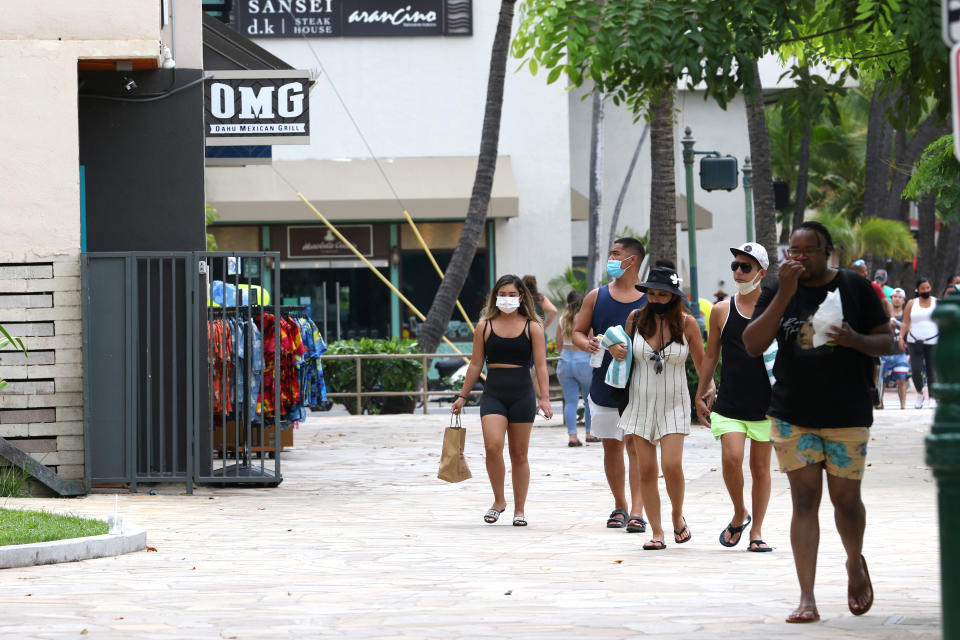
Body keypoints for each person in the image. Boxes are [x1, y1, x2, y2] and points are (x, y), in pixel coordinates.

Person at [743, 220, 891, 624]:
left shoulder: (855, 288)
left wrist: (855, 340)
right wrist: (784, 295)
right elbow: (753, 344)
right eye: (793, 250)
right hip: (794, 414)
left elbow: (887, 341)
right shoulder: (777, 290)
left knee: (846, 501)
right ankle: (806, 597)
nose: (799, 257)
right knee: (804, 501)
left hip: (847, 413)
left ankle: (854, 561)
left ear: (827, 252)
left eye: (808, 250)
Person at [616, 265, 710, 550]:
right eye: (651, 294)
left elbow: (702, 364)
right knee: (646, 469)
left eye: (662, 294)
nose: (656, 299)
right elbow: (620, 352)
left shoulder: (687, 324)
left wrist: (706, 392)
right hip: (640, 402)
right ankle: (657, 532)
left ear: (674, 296)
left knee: (671, 465)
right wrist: (615, 350)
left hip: (674, 403)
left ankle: (676, 514)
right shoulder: (634, 319)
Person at [451, 275, 553, 527]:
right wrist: (463, 396)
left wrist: (545, 398)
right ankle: (499, 501)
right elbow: (475, 364)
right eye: (502, 294)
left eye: (511, 295)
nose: (507, 299)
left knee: (519, 454)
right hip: (493, 393)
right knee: (492, 446)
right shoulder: (484, 326)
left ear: (521, 297)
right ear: (495, 296)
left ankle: (520, 509)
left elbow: (541, 366)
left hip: (522, 395)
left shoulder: (533, 327)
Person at [695, 243, 773, 553]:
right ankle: (740, 511)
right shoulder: (721, 310)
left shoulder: (774, 310)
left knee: (761, 469)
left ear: (761, 273)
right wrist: (702, 392)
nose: (738, 272)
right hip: (730, 402)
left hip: (767, 405)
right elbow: (711, 355)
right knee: (730, 459)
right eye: (735, 266)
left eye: (746, 267)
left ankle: (757, 530)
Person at [573, 238, 647, 532]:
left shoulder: (649, 297)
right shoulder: (597, 296)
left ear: (633, 261)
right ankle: (620, 505)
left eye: (616, 254)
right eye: (611, 254)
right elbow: (577, 332)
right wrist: (589, 343)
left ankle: (639, 510)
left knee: (636, 446)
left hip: (640, 383)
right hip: (604, 383)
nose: (611, 259)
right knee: (611, 447)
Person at [556, 290, 598, 446]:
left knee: (571, 402)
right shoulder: (585, 319)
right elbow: (592, 341)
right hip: (584, 361)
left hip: (565, 361)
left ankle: (572, 436)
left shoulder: (562, 319)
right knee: (589, 400)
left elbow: (559, 344)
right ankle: (589, 433)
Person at [899, 277, 938, 410]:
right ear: (918, 290)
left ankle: (932, 397)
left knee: (931, 370)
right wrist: (900, 337)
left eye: (928, 288)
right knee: (915, 370)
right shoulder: (911, 303)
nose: (926, 290)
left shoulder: (936, 302)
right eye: (923, 288)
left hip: (933, 341)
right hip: (914, 340)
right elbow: (905, 322)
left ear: (930, 288)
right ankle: (920, 394)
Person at [879, 287, 910, 410]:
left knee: (901, 380)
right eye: (894, 297)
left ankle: (903, 406)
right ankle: (879, 403)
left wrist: (910, 354)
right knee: (883, 381)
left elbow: (909, 333)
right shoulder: (884, 314)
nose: (897, 299)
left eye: (899, 297)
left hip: (900, 353)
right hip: (885, 353)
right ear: (891, 299)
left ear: (903, 300)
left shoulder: (906, 316)